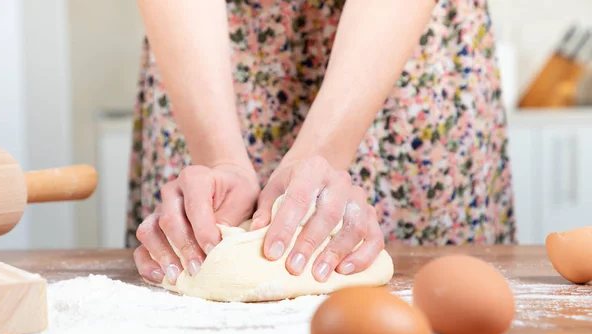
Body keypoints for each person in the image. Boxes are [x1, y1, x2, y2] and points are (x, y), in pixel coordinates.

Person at [127, 0, 516, 287]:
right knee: (200, 234)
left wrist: (322, 153)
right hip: (205, 58)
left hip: (396, 49)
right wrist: (220, 158)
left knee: (436, 302)